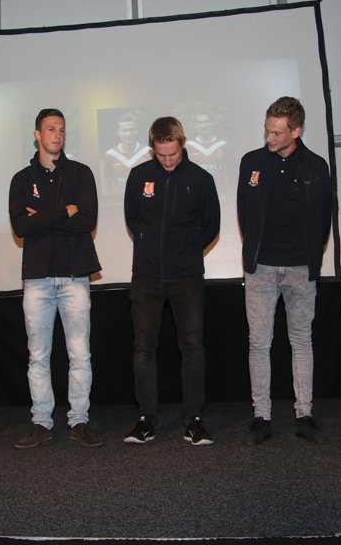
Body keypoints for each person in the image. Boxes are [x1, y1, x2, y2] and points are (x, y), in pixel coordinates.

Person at [237, 97, 332, 445]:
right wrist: (254, 254)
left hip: (300, 269)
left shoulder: (316, 166)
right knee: (259, 343)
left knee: (301, 341)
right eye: (267, 130)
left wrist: (311, 258)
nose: (269, 137)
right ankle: (261, 415)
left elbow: (324, 218)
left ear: (296, 131)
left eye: (277, 132)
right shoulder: (252, 162)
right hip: (261, 269)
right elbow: (245, 212)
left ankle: (304, 413)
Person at [8, 108, 103, 449]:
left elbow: (88, 221)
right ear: (37, 134)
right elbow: (21, 226)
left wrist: (43, 218)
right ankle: (41, 422)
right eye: (51, 129)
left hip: (75, 276)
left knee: (80, 355)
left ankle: (79, 421)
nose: (57, 135)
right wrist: (65, 211)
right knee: (38, 356)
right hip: (37, 279)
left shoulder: (81, 173)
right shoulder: (21, 179)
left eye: (61, 129)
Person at [123, 116, 220, 445]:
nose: (167, 161)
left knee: (192, 348)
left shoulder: (201, 179)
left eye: (173, 154)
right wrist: (149, 246)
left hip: (186, 276)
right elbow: (132, 218)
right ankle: (146, 419)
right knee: (143, 348)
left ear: (183, 144)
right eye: (161, 154)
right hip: (146, 275)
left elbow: (211, 224)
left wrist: (187, 250)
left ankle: (193, 419)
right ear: (153, 147)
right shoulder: (139, 176)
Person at [101, 112, 150, 197]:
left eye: (131, 130)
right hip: (118, 201)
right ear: (118, 132)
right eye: (124, 130)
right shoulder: (110, 154)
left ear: (137, 131)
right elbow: (107, 182)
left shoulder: (148, 152)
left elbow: (152, 180)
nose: (128, 134)